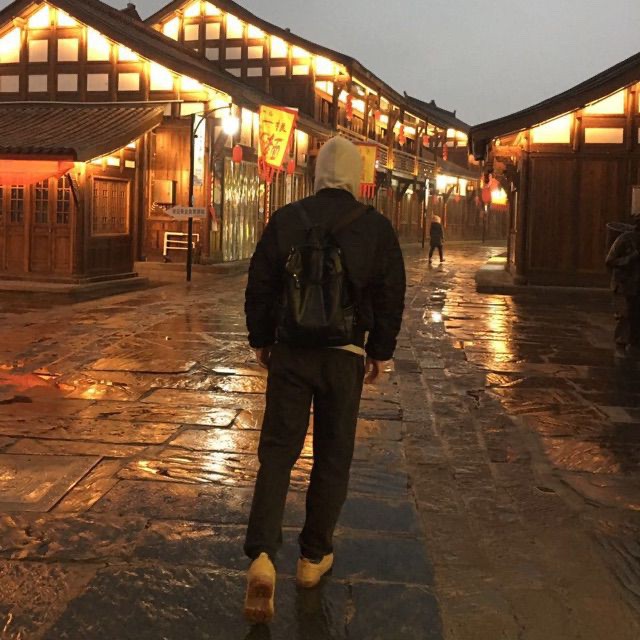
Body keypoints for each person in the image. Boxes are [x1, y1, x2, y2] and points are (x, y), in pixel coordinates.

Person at [243, 136, 406, 623]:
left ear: (317, 176)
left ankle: (262, 555)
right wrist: (380, 351)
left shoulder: (286, 219)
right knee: (332, 455)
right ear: (356, 176)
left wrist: (261, 339)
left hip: (291, 353)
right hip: (344, 356)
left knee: (278, 451)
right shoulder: (375, 227)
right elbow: (391, 294)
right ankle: (313, 557)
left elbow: (260, 283)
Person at [605, 212, 640, 358]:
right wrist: (631, 257)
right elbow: (610, 260)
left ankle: (635, 345)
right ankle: (621, 345)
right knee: (625, 316)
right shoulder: (625, 239)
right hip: (624, 284)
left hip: (637, 285)